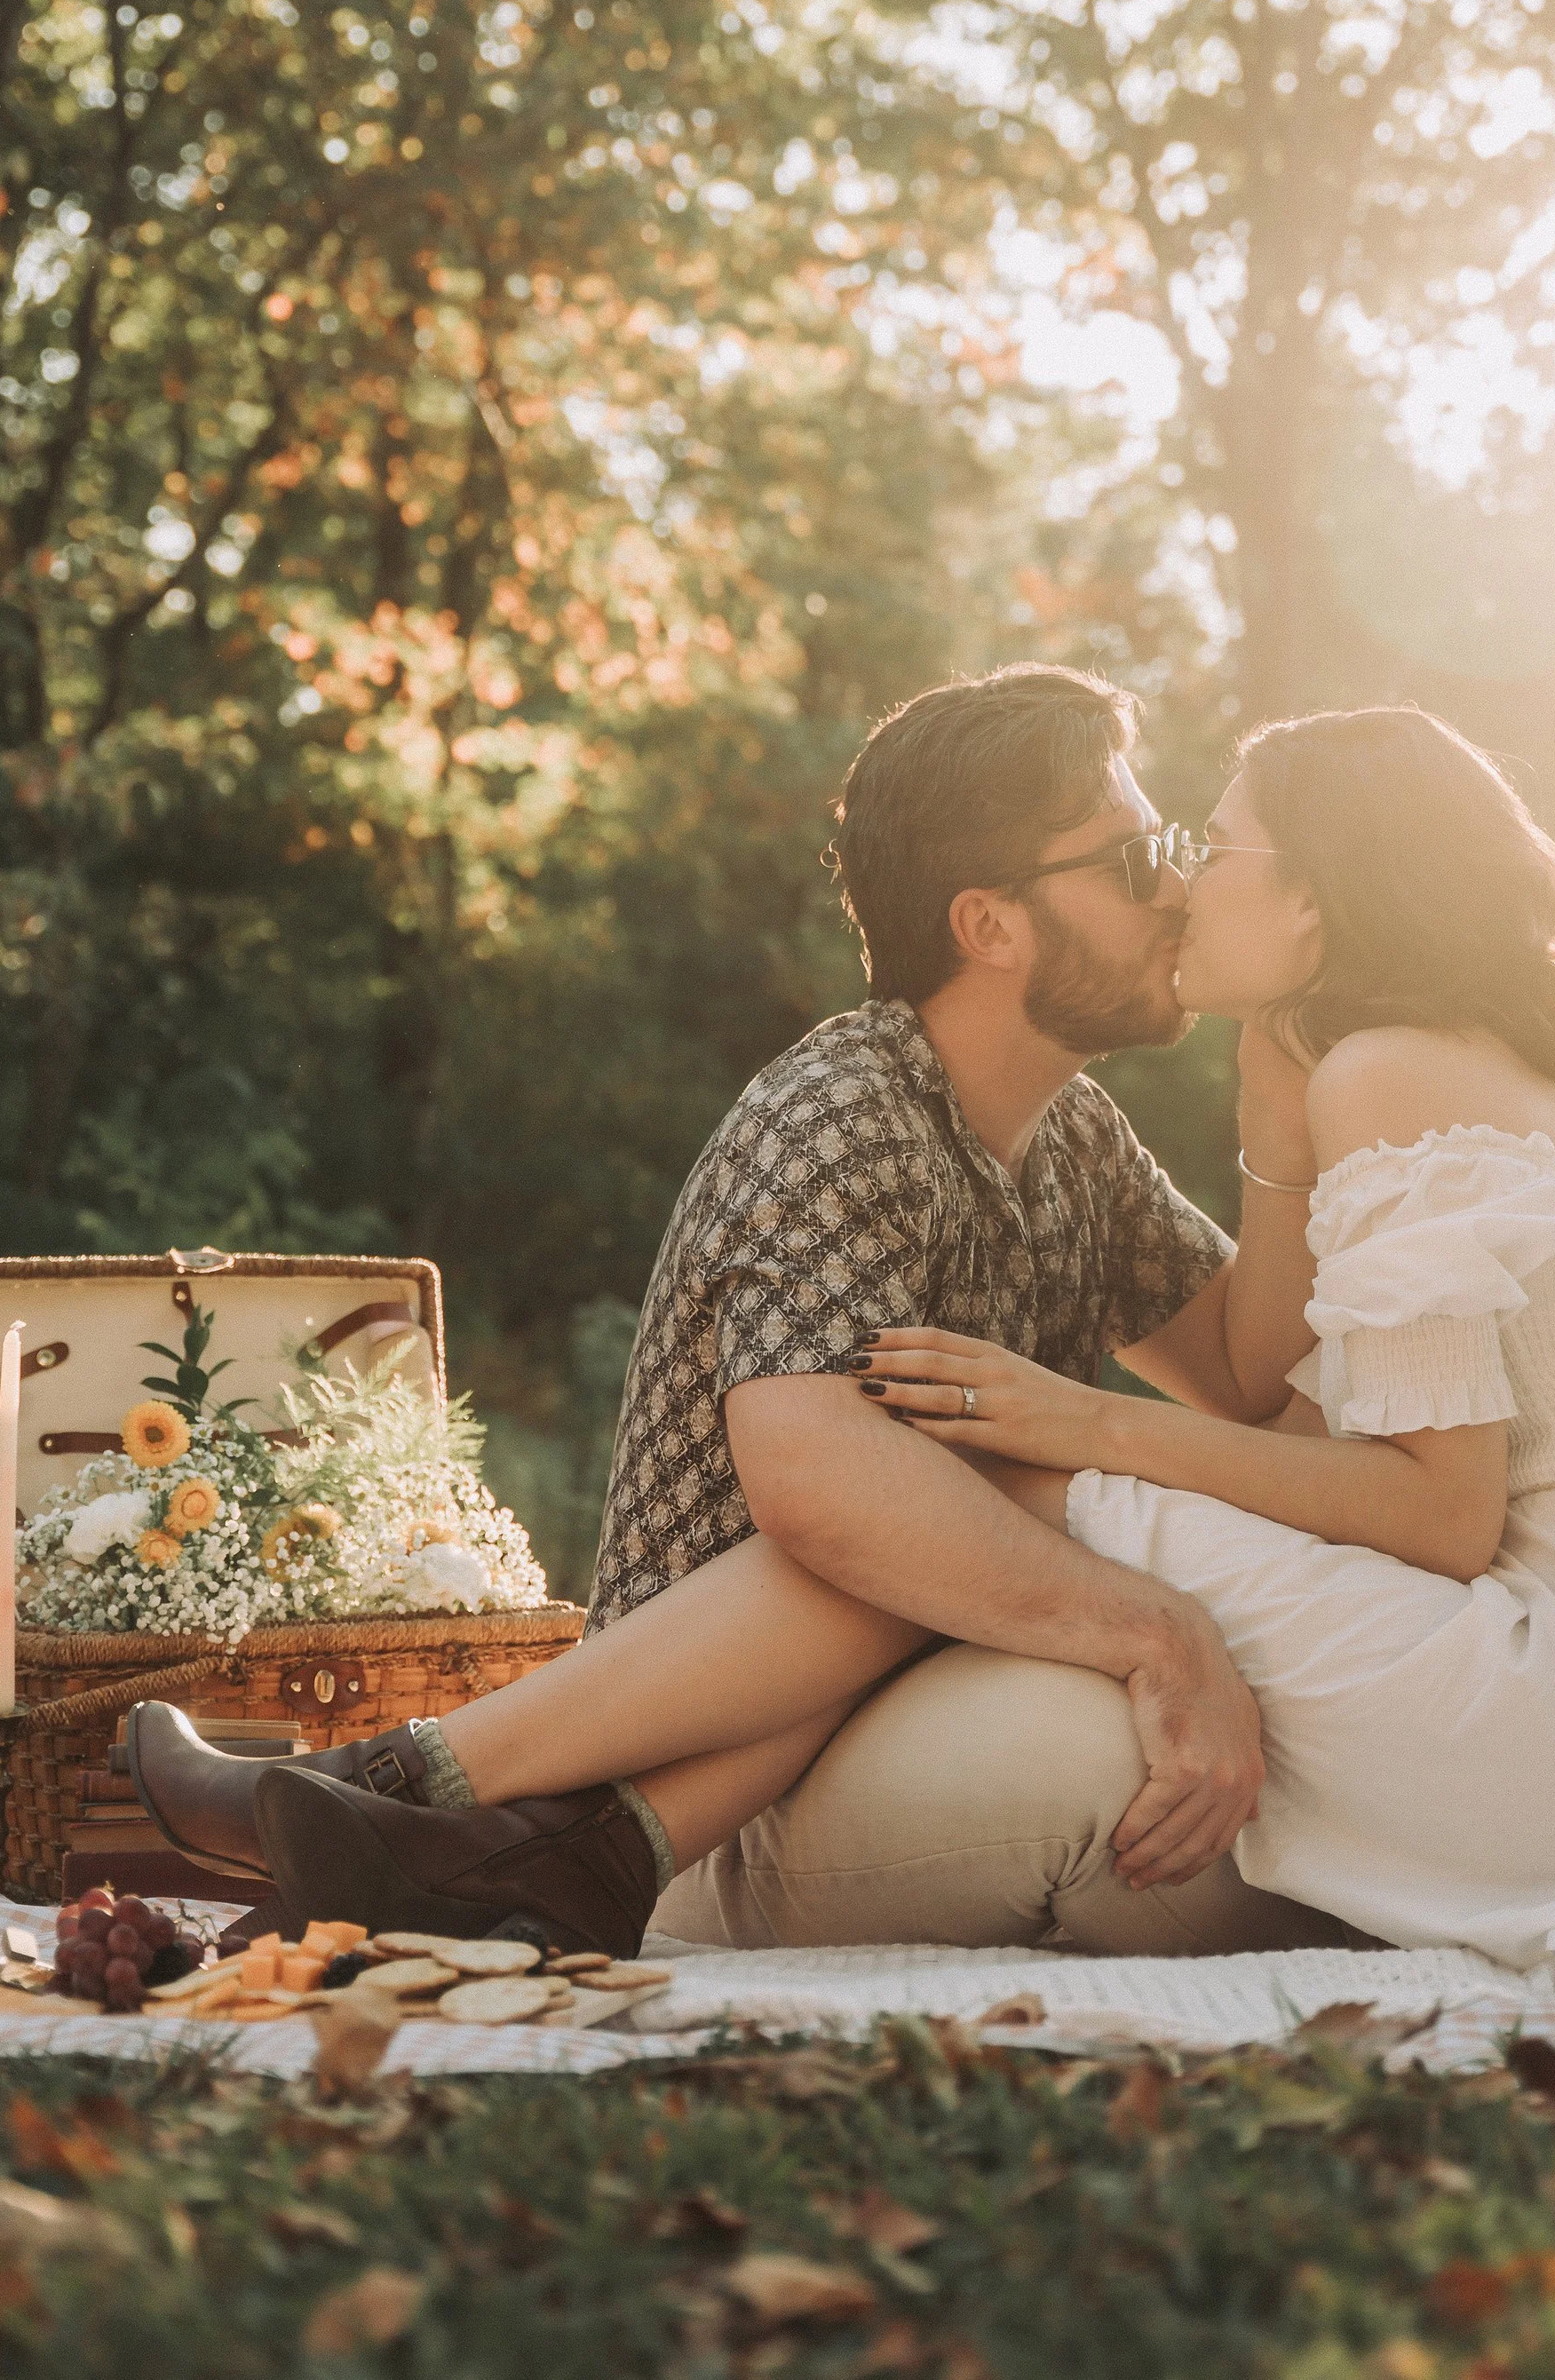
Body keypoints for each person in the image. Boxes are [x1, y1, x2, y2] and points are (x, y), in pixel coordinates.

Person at [705, 704, 1555, 1972]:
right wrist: (1272, 1122)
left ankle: (542, 1797)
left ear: (1315, 901)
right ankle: (552, 1798)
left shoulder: (1386, 1074)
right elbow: (1280, 1402)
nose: (1186, 884)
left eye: (1216, 848)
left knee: (1012, 1484)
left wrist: (1087, 1421)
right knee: (1018, 1495)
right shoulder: (1432, 1066)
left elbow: (1439, 1515)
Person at [131, 663, 1339, 1956]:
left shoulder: (1077, 1139)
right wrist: (1158, 1630)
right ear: (989, 925)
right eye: (1133, 857)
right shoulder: (846, 1105)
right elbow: (814, 1481)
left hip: (875, 1704)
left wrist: (1281, 1098)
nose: (1176, 887)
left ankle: (429, 1816)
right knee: (924, 1476)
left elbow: (1250, 1371)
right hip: (709, 1770)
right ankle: (406, 1790)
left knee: (978, 1470)